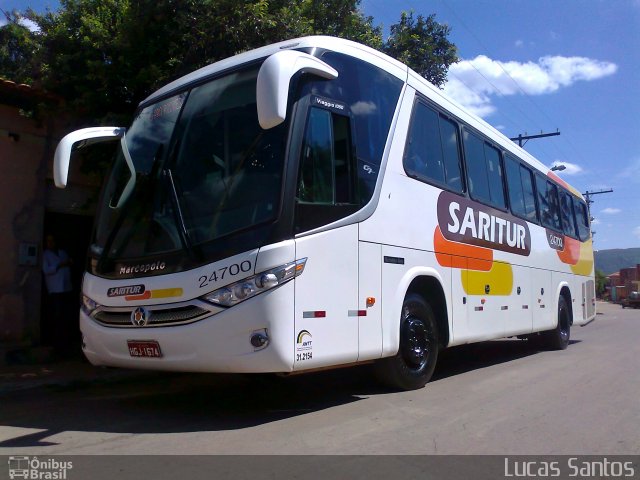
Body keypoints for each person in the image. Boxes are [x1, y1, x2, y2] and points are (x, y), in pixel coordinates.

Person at [42, 234, 76, 358]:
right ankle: (57, 346)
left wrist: (67, 263)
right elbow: (47, 270)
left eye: (52, 240)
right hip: (55, 290)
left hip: (66, 288)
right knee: (57, 317)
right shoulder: (45, 255)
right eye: (48, 241)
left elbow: (69, 265)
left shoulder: (62, 252)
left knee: (66, 316)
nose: (50, 243)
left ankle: (66, 344)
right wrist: (60, 265)